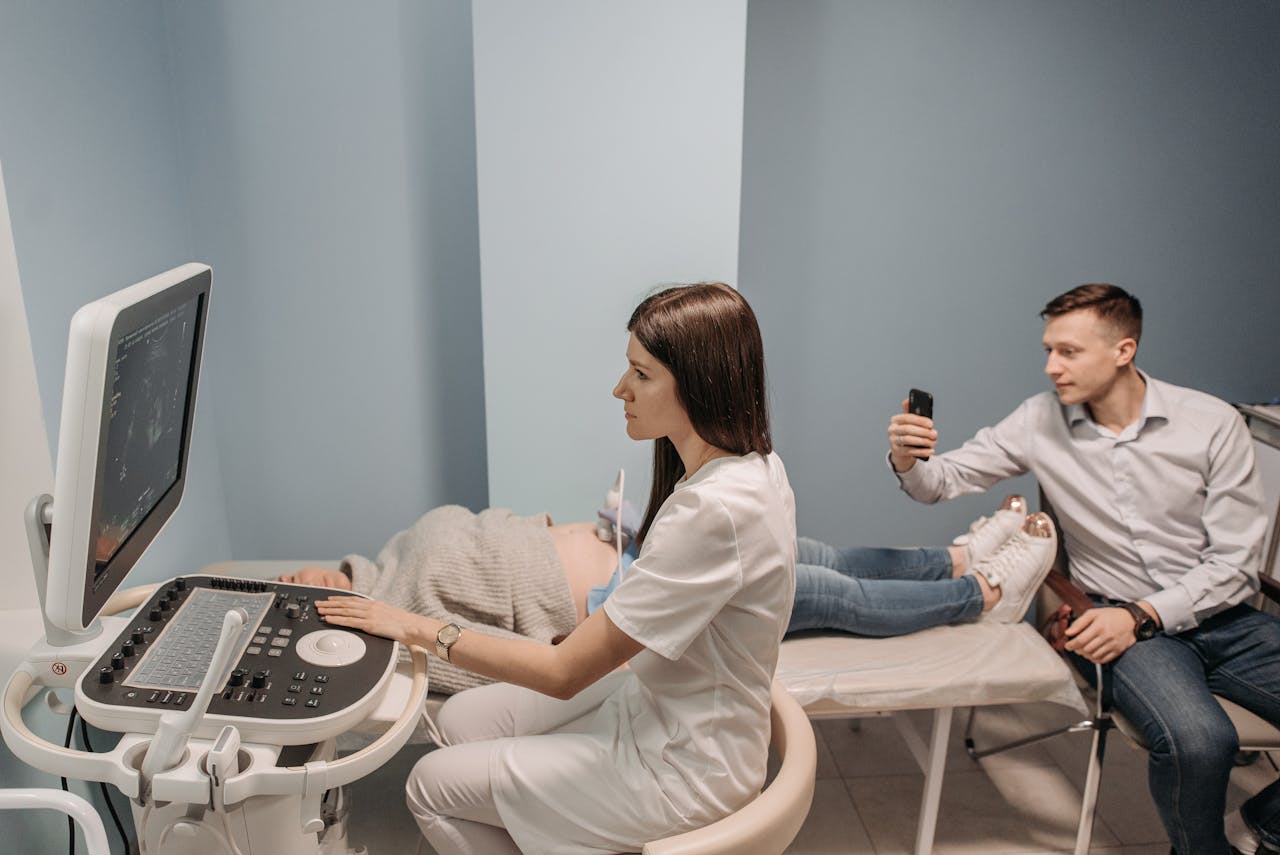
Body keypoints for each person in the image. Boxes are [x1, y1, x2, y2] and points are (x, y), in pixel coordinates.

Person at [314, 283, 797, 855]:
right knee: (458, 719)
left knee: (429, 787)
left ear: (698, 384)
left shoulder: (713, 511)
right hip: (656, 708)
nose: (620, 389)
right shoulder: (755, 466)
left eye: (641, 375)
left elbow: (563, 674)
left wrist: (412, 626)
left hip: (684, 769)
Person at [886, 283, 1279, 855]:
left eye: (1068, 352)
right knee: (1200, 741)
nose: (1051, 366)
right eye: (1049, 350)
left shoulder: (1212, 423)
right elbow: (940, 483)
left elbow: (1237, 564)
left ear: (1124, 350)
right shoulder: (1038, 419)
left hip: (1221, 617)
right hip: (1114, 625)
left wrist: (1143, 613)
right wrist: (907, 459)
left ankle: (1255, 829)